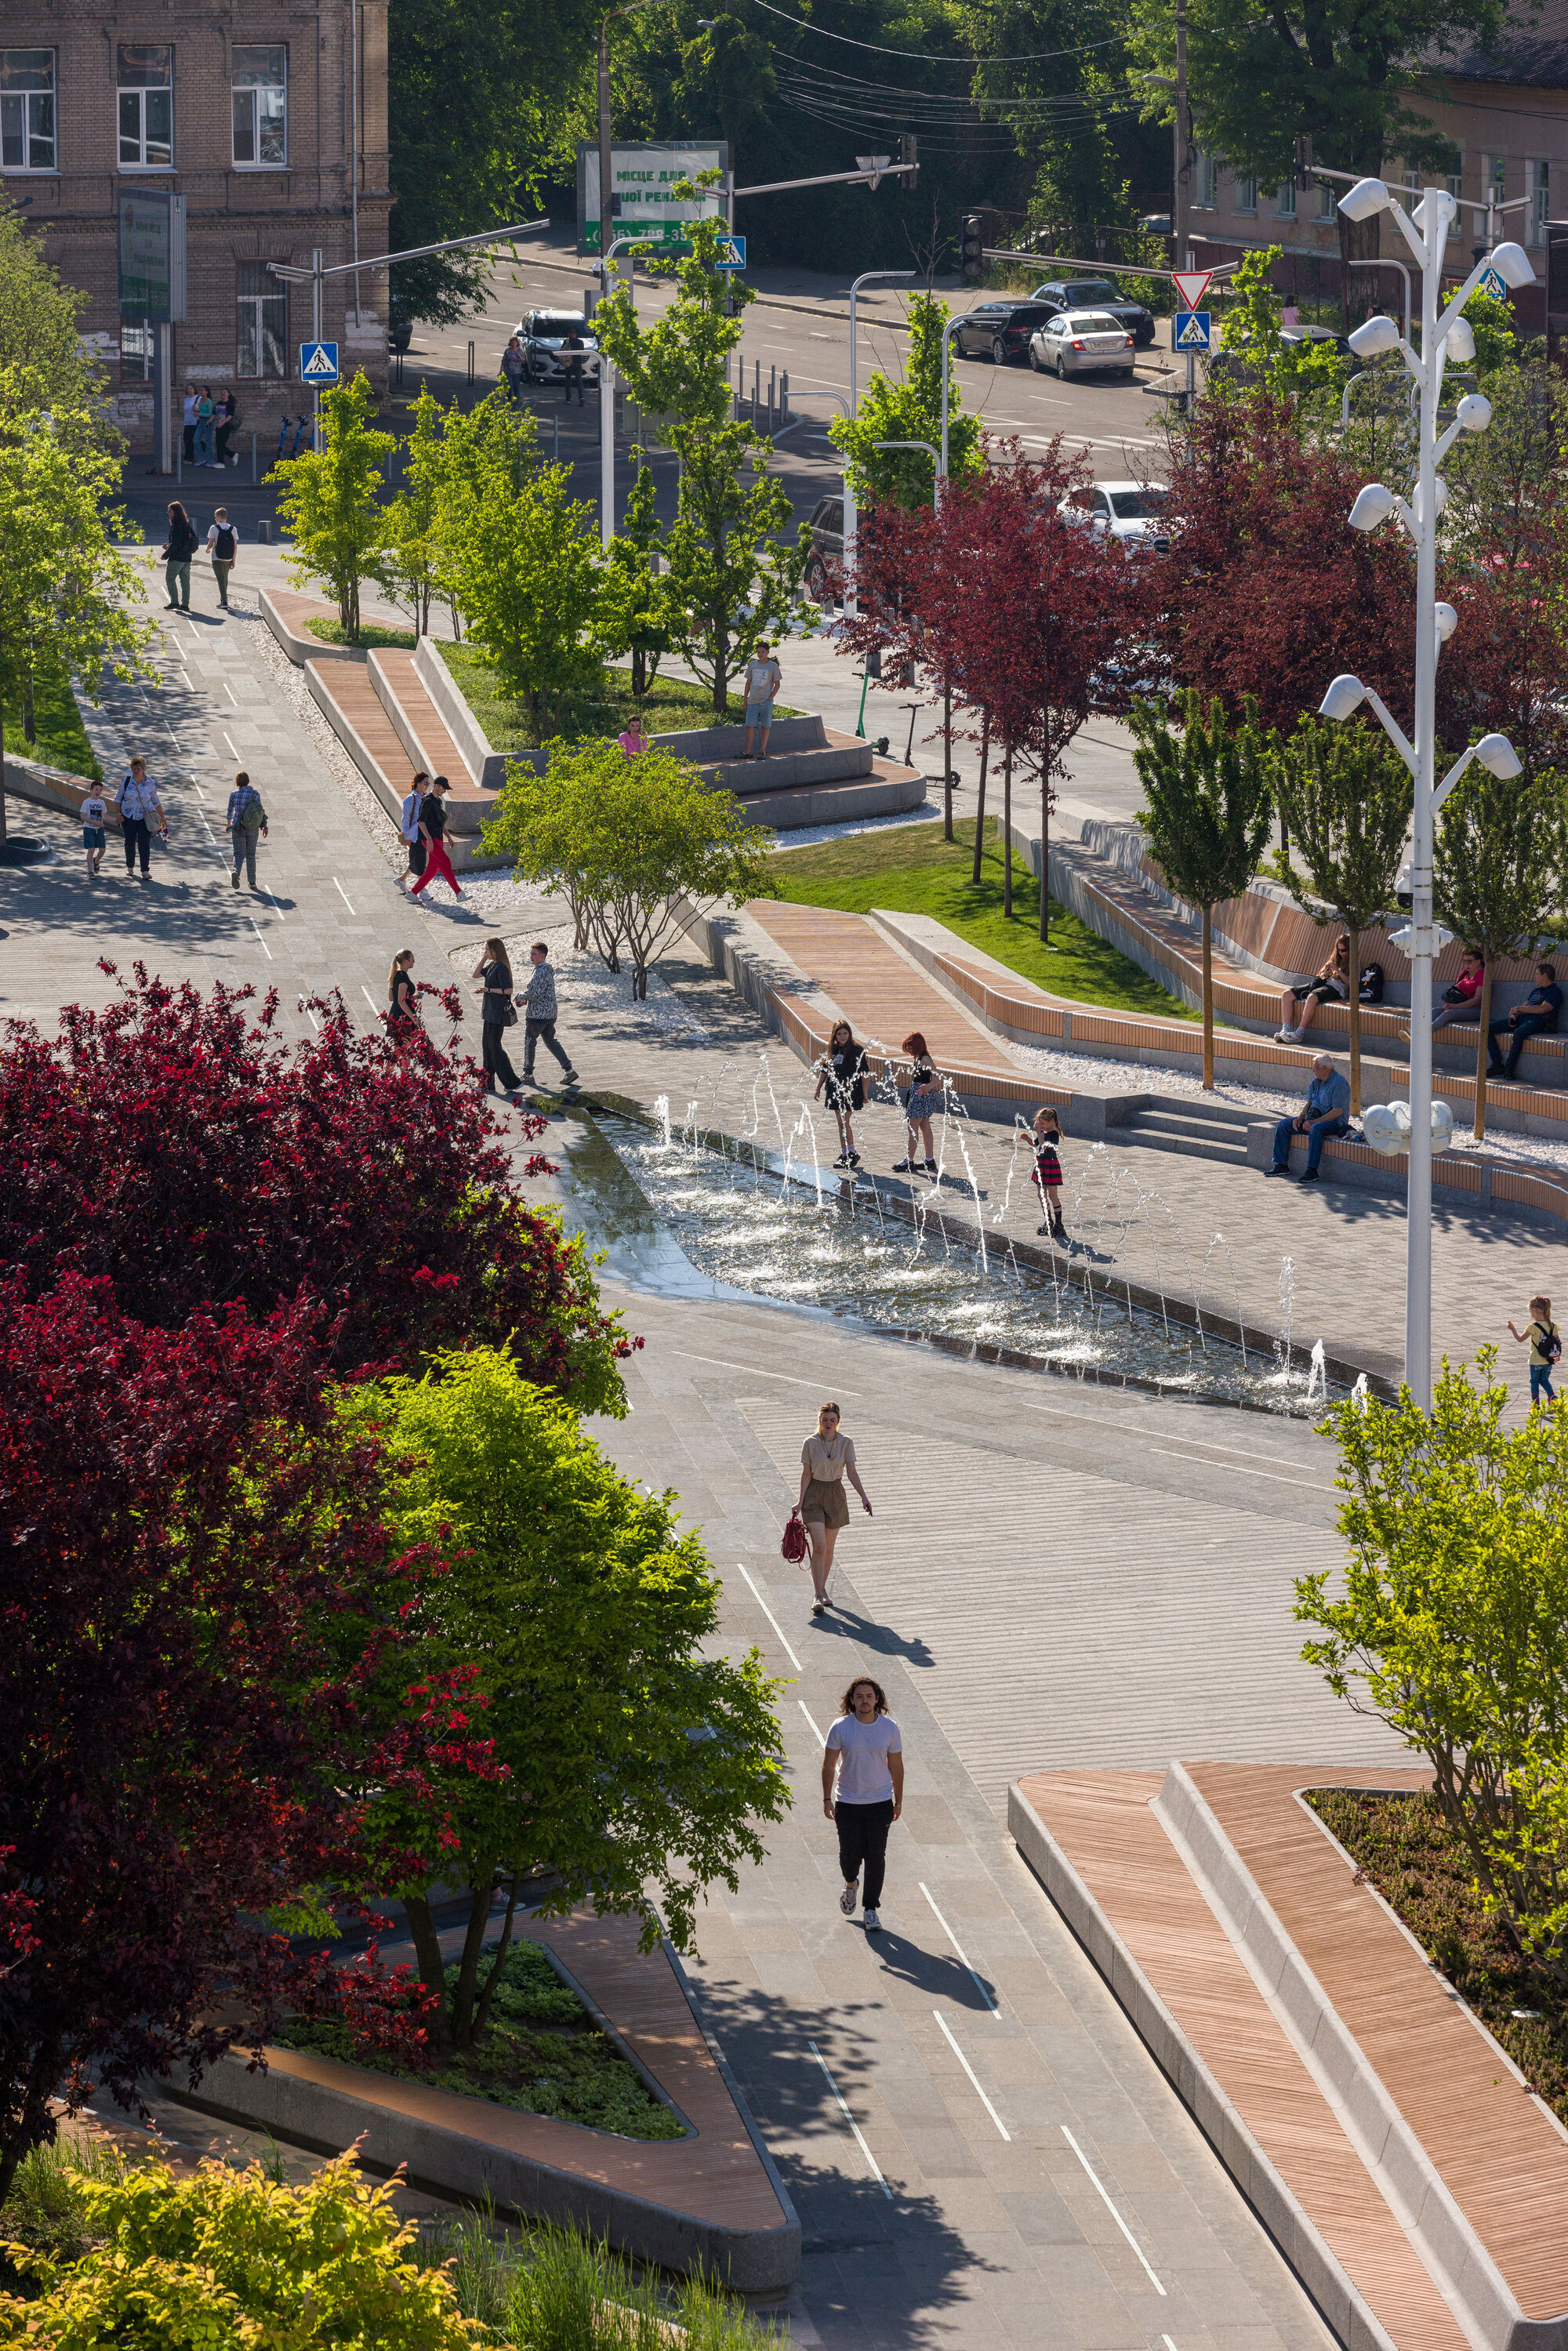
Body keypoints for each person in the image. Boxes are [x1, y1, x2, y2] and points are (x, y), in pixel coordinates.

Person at [822, 1676, 902, 1936]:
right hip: (848, 1801)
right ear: (852, 1700)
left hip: (880, 1802)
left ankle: (871, 1909)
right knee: (849, 1856)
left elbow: (897, 1766)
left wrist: (898, 1800)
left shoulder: (889, 1728)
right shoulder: (841, 1727)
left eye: (869, 1696)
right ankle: (851, 1882)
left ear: (877, 1699)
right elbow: (828, 1765)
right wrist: (826, 1798)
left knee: (876, 1856)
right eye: (859, 1697)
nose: (864, 1701)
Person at [799, 1400, 873, 1618]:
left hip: (836, 1494)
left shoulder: (846, 1443)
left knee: (829, 1548)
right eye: (824, 1420)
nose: (828, 1423)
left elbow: (851, 1472)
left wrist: (864, 1496)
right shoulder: (810, 1442)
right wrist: (799, 1500)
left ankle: (823, 1589)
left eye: (832, 1420)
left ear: (839, 1421)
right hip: (813, 1495)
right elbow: (805, 1474)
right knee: (819, 1546)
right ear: (819, 1421)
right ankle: (816, 1596)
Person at [1265, 1053, 1352, 1181]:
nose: (1313, 1070)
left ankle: (1312, 1171)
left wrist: (1313, 1122)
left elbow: (1337, 1112)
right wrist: (1301, 1117)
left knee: (1316, 1129)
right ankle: (1281, 1165)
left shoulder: (1340, 1083)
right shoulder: (1316, 1082)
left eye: (1315, 1068)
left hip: (1335, 1122)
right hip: (1313, 1119)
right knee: (1284, 1124)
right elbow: (1310, 1102)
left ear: (1324, 1069)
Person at [1489, 963, 1563, 1079]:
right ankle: (1497, 1064)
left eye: (1537, 974)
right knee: (1488, 1028)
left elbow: (1542, 1009)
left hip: (1538, 1021)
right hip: (1523, 1018)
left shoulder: (1555, 992)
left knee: (1519, 1033)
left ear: (1545, 976)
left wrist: (1519, 1008)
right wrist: (1514, 1015)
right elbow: (1524, 1006)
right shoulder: (1535, 991)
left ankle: (1509, 1068)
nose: (1534, 977)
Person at [521, 941, 579, 1087]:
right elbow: (541, 992)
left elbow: (534, 992)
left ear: (542, 955)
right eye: (530, 954)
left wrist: (521, 996)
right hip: (550, 1014)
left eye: (534, 954)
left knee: (530, 1042)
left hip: (537, 1015)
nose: (531, 957)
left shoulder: (540, 971)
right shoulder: (546, 970)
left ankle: (528, 1074)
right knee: (551, 1041)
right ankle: (569, 1070)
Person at [474, 937, 524, 1097]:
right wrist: (483, 958)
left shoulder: (501, 968)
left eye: (487, 949)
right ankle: (487, 1084)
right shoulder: (493, 965)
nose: (485, 952)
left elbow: (509, 990)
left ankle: (512, 1082)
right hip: (488, 1013)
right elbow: (475, 975)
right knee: (487, 1047)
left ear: (495, 950)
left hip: (497, 1013)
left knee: (494, 1048)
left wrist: (488, 989)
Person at [1276, 937, 1350, 1043]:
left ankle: (1299, 1033)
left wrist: (1338, 971)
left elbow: (1351, 983)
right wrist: (1325, 974)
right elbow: (1319, 977)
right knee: (1287, 994)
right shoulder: (1334, 959)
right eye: (1338, 950)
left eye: (1343, 950)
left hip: (1336, 990)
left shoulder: (1354, 964)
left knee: (1312, 997)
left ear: (1349, 949)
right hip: (1322, 984)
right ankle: (1286, 1030)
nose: (1340, 953)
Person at [815, 1021, 867, 1169]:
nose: (843, 1036)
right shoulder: (833, 1050)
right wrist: (818, 1087)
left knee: (844, 1122)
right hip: (835, 1091)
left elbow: (865, 1073)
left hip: (852, 1092)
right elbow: (825, 1070)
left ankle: (852, 1153)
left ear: (849, 1034)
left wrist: (865, 1094)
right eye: (839, 1034)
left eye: (845, 1033)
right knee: (841, 1124)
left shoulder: (857, 1050)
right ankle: (844, 1153)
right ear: (835, 1035)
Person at [408, 775, 466, 905]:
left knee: (432, 871)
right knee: (445, 862)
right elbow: (421, 822)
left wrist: (449, 837)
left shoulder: (438, 802)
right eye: (443, 788)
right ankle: (459, 893)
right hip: (430, 839)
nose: (444, 791)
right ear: (437, 786)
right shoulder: (427, 801)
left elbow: (440, 823)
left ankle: (413, 893)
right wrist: (428, 839)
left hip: (437, 838)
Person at [1405, 946, 1484, 1036]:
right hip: (1459, 1005)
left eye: (1469, 961)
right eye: (1464, 961)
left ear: (1478, 961)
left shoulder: (1483, 975)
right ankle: (1415, 1031)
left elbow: (1477, 1000)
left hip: (1475, 1009)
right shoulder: (1464, 973)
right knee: (1434, 1011)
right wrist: (1451, 1004)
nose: (1466, 964)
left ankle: (1420, 1036)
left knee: (1448, 1014)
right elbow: (1455, 991)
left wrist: (1455, 1007)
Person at [112, 756, 166, 880]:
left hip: (144, 818)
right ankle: (130, 867)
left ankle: (145, 871)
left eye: (138, 769)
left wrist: (162, 818)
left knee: (144, 843)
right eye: (133, 769)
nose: (136, 771)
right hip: (128, 817)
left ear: (143, 769)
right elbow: (117, 799)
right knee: (129, 842)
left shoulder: (150, 783)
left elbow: (156, 802)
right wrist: (118, 814)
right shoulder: (126, 782)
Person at [893, 1031, 940, 1174]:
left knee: (912, 1128)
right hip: (918, 1095)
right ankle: (929, 1160)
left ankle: (909, 1160)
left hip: (921, 1097)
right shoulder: (918, 1058)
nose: (908, 1051)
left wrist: (928, 1086)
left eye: (910, 1047)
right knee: (924, 1126)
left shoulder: (925, 1059)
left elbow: (939, 1077)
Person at [1508, 1294, 1560, 1408]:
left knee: (1534, 1381)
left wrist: (1513, 1329)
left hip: (1535, 1360)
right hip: (1548, 1359)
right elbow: (1557, 1341)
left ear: (1535, 1310)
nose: (1531, 1314)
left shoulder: (1533, 1326)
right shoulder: (1553, 1326)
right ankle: (1552, 1396)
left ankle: (1535, 1403)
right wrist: (1557, 1354)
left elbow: (1520, 1339)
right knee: (1545, 1379)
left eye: (1530, 1312)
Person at [225, 768, 267, 889]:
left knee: (239, 853)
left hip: (238, 828)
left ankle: (236, 872)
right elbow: (260, 811)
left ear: (237, 782)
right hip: (252, 828)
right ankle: (252, 882)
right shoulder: (255, 794)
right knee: (251, 854)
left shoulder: (234, 794)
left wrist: (229, 824)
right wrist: (265, 826)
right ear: (248, 781)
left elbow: (230, 812)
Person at [742, 640, 782, 760]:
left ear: (768, 652)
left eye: (763, 652)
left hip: (766, 701)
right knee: (749, 726)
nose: (760, 654)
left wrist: (770, 698)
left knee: (765, 726)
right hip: (753, 700)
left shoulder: (773, 666)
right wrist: (745, 699)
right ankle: (748, 751)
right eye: (758, 652)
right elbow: (748, 682)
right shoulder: (753, 665)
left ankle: (762, 751)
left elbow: (777, 684)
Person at [1030, 1105, 1066, 1236]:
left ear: (1051, 1122)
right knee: (1041, 1195)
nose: (1042, 1126)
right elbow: (1035, 1144)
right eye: (1040, 1124)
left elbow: (1044, 1147)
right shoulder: (1043, 1133)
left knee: (1052, 1195)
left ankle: (1058, 1224)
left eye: (1043, 1124)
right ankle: (1048, 1221)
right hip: (1041, 1166)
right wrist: (1028, 1138)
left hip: (1051, 1167)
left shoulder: (1054, 1134)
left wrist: (1038, 1132)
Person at [397, 770, 431, 891]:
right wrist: (407, 836)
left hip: (425, 834)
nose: (427, 786)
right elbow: (405, 820)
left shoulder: (427, 798)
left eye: (428, 783)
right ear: (418, 783)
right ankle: (422, 891)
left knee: (417, 862)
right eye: (425, 783)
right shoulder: (409, 800)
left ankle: (401, 880)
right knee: (420, 863)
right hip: (415, 835)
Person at [162, 501, 198, 611]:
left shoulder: (176, 525)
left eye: (170, 511)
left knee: (170, 578)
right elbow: (183, 541)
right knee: (185, 581)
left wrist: (165, 554)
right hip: (187, 557)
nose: (168, 513)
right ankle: (185, 604)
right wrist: (168, 545)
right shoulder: (186, 524)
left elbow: (176, 543)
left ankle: (174, 602)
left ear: (175, 512)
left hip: (177, 558)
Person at [206, 509, 238, 608]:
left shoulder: (214, 528)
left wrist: (208, 549)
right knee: (225, 578)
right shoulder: (233, 529)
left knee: (220, 579)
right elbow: (235, 546)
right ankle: (223, 599)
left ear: (219, 517)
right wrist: (233, 560)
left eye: (215, 517)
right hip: (228, 557)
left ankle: (224, 602)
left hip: (217, 557)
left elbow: (211, 543)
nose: (215, 518)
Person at [387, 949, 422, 1039]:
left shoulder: (395, 975)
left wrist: (412, 997)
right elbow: (401, 1001)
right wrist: (414, 1019)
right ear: (406, 961)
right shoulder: (403, 978)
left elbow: (392, 998)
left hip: (395, 1013)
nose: (414, 962)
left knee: (399, 1049)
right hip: (403, 1016)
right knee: (408, 1047)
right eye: (413, 960)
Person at [80, 783, 108, 880]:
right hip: (89, 829)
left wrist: (116, 820)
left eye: (100, 790)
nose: (98, 792)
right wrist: (94, 822)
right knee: (91, 849)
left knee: (102, 849)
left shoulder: (102, 803)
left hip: (99, 830)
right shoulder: (86, 802)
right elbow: (83, 816)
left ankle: (96, 861)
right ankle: (90, 872)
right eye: (96, 789)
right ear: (91, 790)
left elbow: (104, 816)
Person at [560, 324, 586, 407]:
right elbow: (581, 352)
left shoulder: (567, 341)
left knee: (568, 380)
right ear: (576, 334)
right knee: (579, 380)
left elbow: (562, 351)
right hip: (578, 363)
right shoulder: (580, 342)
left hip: (569, 362)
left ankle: (568, 398)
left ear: (569, 334)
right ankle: (581, 397)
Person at [215, 389, 239, 467]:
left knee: (221, 444)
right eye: (222, 392)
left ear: (228, 394)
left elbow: (230, 416)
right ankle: (233, 455)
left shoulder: (230, 404)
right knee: (219, 444)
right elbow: (215, 414)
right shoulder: (219, 403)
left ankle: (221, 462)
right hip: (218, 426)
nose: (223, 394)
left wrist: (223, 422)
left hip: (226, 426)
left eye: (224, 392)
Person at [194, 385, 216, 467]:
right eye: (201, 390)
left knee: (208, 441)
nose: (201, 392)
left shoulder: (209, 401)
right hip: (201, 421)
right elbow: (202, 410)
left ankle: (211, 460)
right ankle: (201, 458)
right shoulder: (200, 400)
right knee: (196, 440)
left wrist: (199, 413)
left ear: (206, 392)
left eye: (202, 390)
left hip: (208, 422)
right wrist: (197, 410)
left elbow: (210, 414)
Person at [501, 336, 525, 407]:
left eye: (515, 342)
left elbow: (524, 361)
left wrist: (519, 356)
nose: (513, 344)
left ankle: (515, 404)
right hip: (508, 372)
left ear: (517, 343)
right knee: (509, 387)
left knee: (516, 388)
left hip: (517, 372)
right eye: (512, 343)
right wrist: (500, 372)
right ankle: (509, 401)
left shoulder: (519, 351)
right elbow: (503, 361)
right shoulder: (507, 351)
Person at [182, 383, 198, 467]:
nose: (189, 390)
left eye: (191, 388)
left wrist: (198, 412)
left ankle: (190, 458)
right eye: (188, 389)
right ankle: (187, 457)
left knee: (194, 440)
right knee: (187, 440)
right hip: (187, 422)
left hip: (195, 422)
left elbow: (203, 409)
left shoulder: (198, 398)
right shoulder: (186, 400)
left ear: (194, 390)